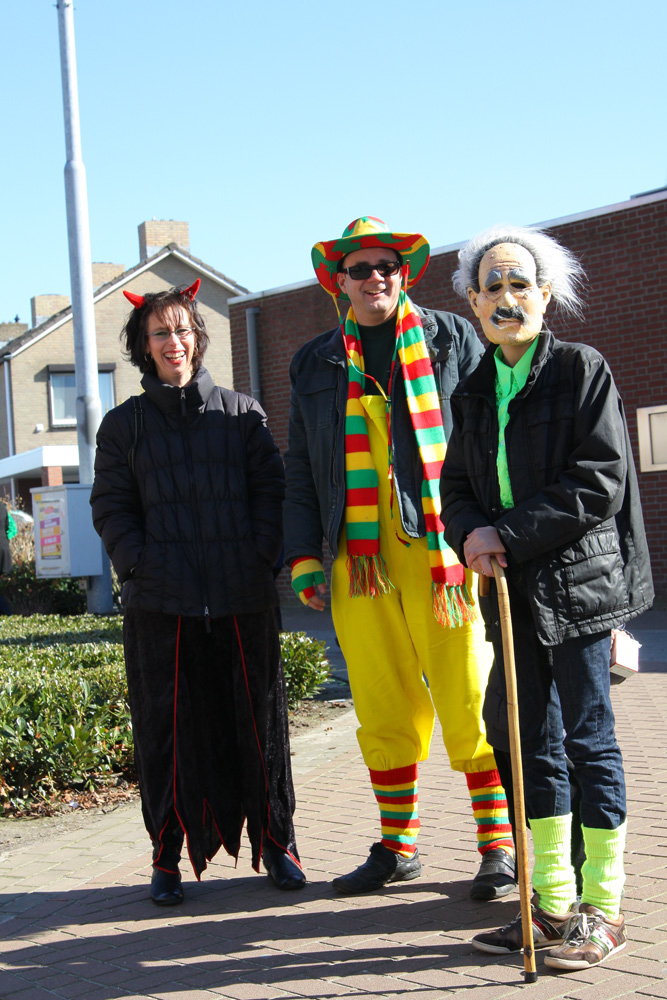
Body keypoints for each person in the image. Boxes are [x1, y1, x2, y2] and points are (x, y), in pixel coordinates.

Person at [440, 225, 653, 970]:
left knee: (587, 740)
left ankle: (604, 907)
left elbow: (599, 478)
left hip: (579, 587)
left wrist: (503, 533)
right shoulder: (471, 389)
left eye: (519, 284)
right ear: (473, 303)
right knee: (531, 744)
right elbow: (455, 486)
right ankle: (552, 902)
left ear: (546, 294)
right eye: (492, 286)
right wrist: (470, 535)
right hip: (512, 591)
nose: (507, 298)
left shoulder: (579, 369)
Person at [284, 217, 514, 899]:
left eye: (386, 266)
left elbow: (488, 435)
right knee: (381, 699)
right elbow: (300, 467)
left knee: (469, 694)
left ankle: (497, 846)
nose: (375, 278)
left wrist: (493, 529)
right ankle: (398, 846)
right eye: (360, 268)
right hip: (358, 556)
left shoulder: (452, 338)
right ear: (340, 281)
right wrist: (302, 556)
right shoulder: (314, 361)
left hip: (445, 550)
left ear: (403, 273)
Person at [90, 280, 305, 906]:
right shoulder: (123, 425)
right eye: (160, 332)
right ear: (143, 344)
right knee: (166, 734)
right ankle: (166, 858)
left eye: (182, 329)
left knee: (260, 728)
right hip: (162, 606)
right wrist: (139, 566)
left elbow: (272, 492)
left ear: (197, 337)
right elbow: (111, 507)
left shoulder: (241, 413)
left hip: (242, 598)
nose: (174, 342)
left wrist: (260, 556)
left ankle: (279, 844)